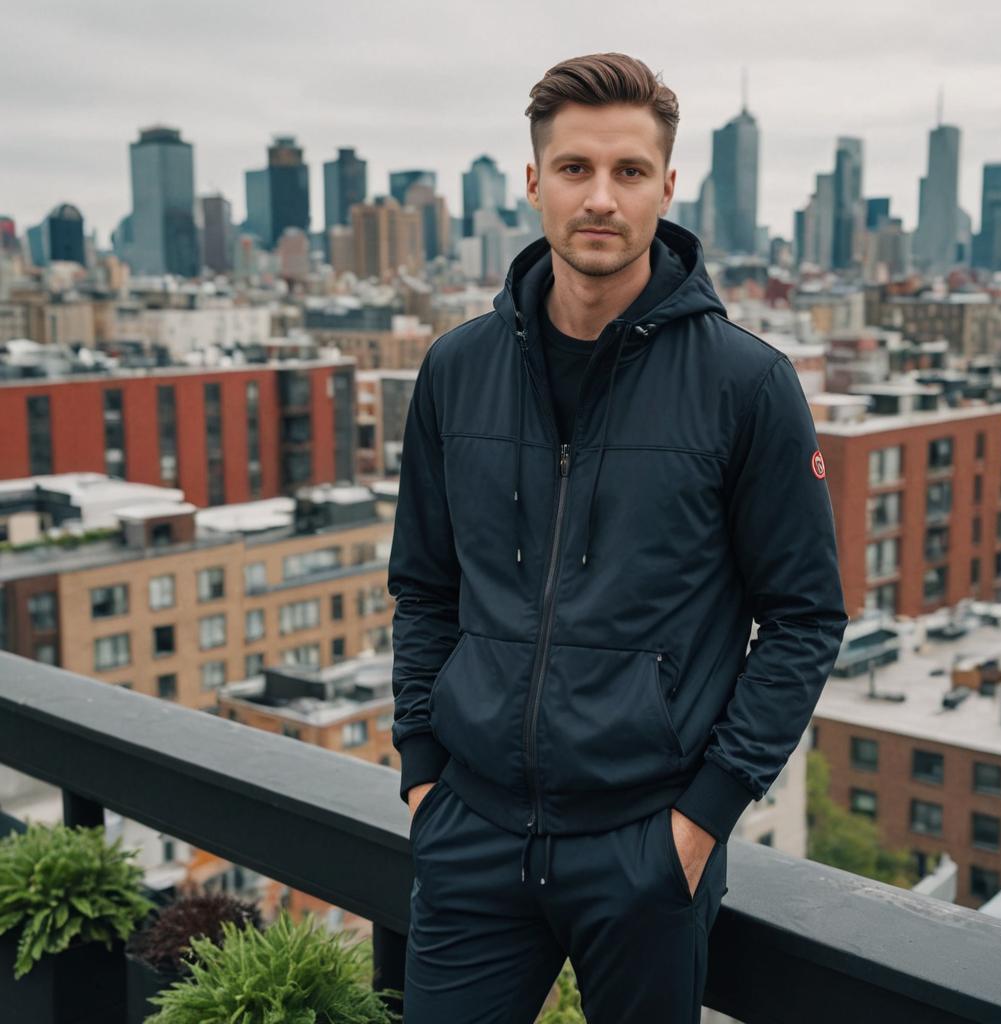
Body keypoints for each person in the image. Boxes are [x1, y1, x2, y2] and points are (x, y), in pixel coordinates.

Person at [387, 51, 848, 1024]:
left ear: (667, 187)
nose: (601, 197)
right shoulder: (455, 370)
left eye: (629, 171)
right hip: (471, 835)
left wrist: (699, 823)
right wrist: (424, 771)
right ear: (532, 181)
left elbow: (804, 618)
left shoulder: (746, 384)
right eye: (575, 168)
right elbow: (424, 587)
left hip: (645, 848)